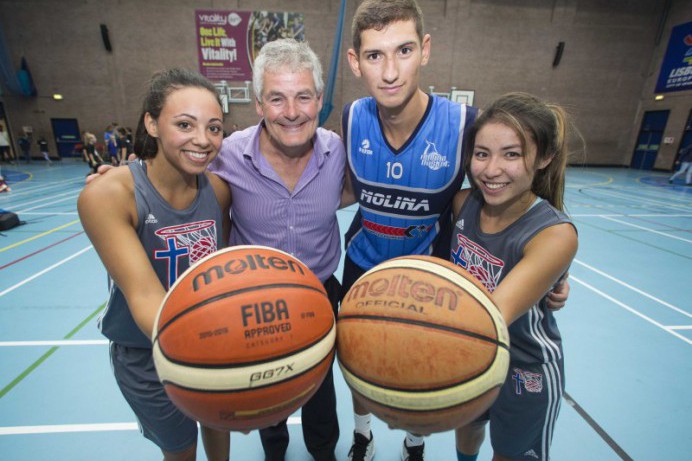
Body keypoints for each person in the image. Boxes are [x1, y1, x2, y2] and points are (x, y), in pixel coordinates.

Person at [339, 2, 570, 460]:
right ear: (354, 61)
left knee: (425, 363)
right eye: (374, 56)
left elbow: (505, 194)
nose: (389, 71)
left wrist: (551, 274)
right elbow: (343, 188)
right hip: (363, 265)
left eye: (403, 50)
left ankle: (415, 439)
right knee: (359, 361)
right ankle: (362, 432)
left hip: (431, 275)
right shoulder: (351, 118)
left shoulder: (466, 125)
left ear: (424, 50)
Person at [78, 68, 232, 461]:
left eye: (214, 128)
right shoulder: (108, 195)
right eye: (185, 124)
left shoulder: (218, 192)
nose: (202, 139)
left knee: (218, 424)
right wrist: (206, 344)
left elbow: (222, 272)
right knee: (180, 449)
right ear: (152, 122)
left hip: (210, 340)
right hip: (146, 353)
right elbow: (145, 294)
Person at [207, 38, 344, 461]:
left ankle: (324, 453)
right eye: (277, 98)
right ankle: (275, 453)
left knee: (322, 389)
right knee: (267, 390)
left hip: (321, 291)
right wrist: (120, 185)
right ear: (259, 103)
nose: (291, 111)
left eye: (304, 96)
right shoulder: (227, 156)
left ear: (320, 99)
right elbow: (175, 192)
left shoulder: (339, 152)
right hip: (255, 298)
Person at [451, 92, 579, 461]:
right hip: (471, 357)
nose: (491, 170)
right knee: (469, 428)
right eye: (481, 153)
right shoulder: (464, 204)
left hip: (525, 368)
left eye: (511, 154)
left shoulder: (554, 233)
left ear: (544, 157)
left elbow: (492, 315)